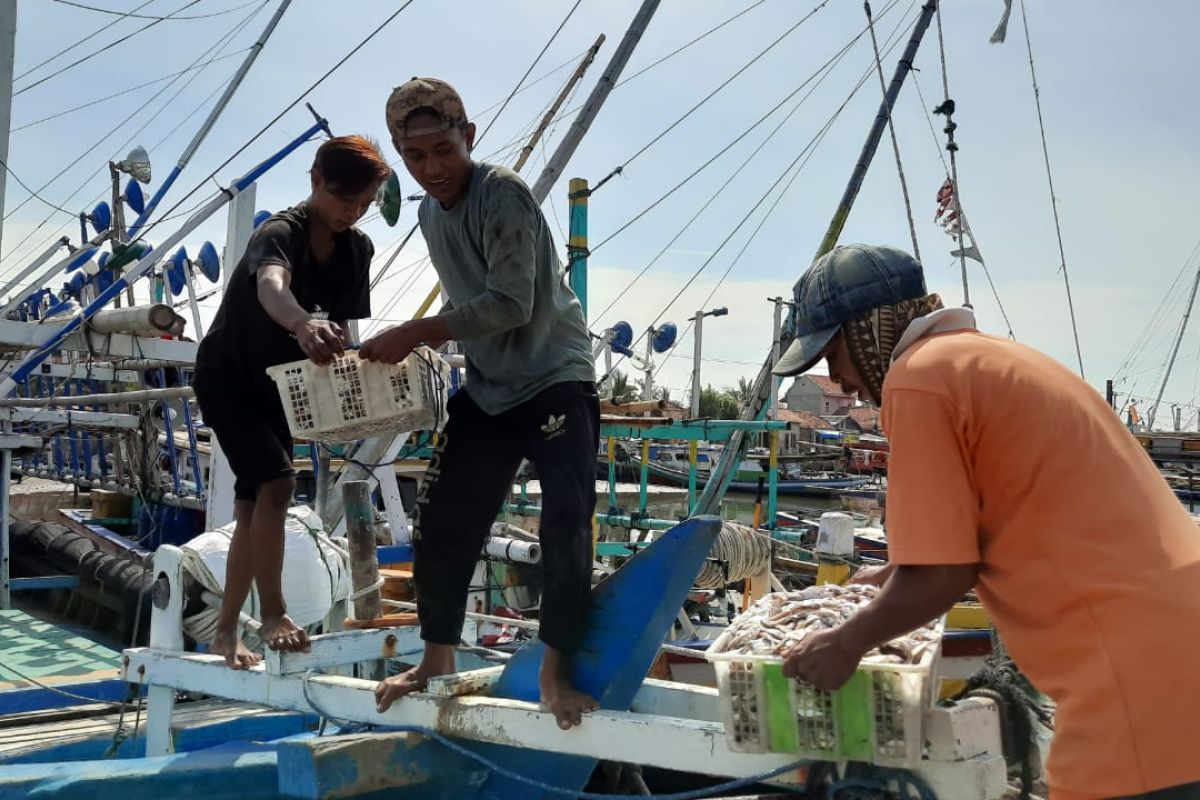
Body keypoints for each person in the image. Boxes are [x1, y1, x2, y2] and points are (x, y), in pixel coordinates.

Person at [772, 244, 1200, 800]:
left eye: (833, 354)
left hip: (1138, 682)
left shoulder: (918, 378)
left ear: (864, 331)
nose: (839, 380)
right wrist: (879, 583)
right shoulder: (990, 360)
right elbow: (973, 541)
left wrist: (846, 643)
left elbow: (944, 572)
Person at [363, 77, 599, 730]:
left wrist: (418, 330)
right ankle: (437, 657)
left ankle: (556, 669)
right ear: (403, 160)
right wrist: (426, 341)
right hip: (491, 388)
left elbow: (511, 302)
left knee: (565, 520)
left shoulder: (505, 194)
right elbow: (468, 299)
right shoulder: (427, 214)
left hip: (555, 376)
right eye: (418, 158)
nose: (434, 169)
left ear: (469, 138)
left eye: (444, 150)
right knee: (441, 520)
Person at [192, 135, 390, 669]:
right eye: (345, 198)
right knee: (278, 484)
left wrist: (350, 358)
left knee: (252, 504)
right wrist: (303, 323)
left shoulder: (357, 250)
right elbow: (272, 287)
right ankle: (275, 612)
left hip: (281, 386)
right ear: (316, 180)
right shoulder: (279, 233)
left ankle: (227, 630)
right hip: (228, 377)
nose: (353, 212)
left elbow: (345, 326)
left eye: (364, 203)